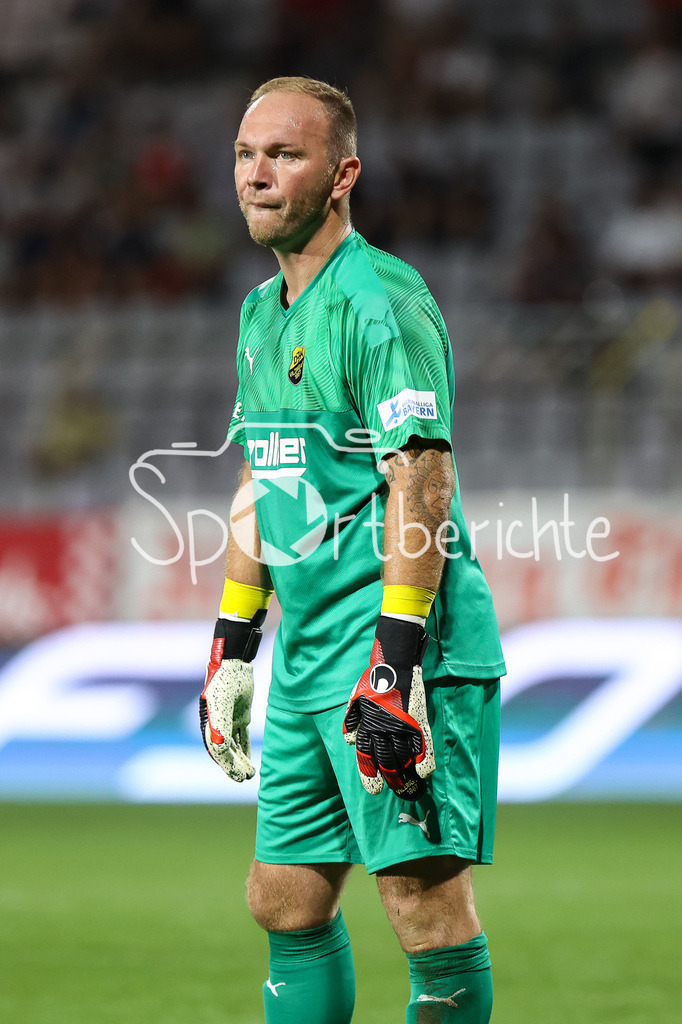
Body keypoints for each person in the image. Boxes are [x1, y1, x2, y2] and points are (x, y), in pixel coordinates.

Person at [199, 76, 505, 1024]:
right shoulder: (260, 315)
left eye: (284, 155)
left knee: (421, 902)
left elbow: (423, 483)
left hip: (396, 649)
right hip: (306, 661)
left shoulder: (382, 302)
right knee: (284, 896)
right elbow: (264, 480)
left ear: (342, 175)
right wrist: (235, 639)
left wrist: (397, 661)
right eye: (247, 155)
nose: (257, 175)